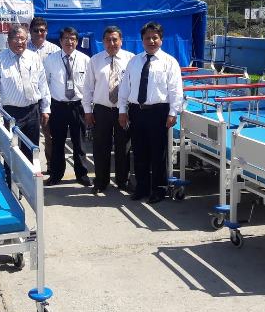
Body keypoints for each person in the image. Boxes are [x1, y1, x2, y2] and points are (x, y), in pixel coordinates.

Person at [118, 21, 183, 204]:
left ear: (161, 39)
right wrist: (122, 110)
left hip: (158, 112)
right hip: (136, 111)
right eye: (147, 38)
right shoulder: (134, 61)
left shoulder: (170, 62)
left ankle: (159, 189)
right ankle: (142, 187)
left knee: (158, 153)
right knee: (139, 152)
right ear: (142, 40)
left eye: (155, 37)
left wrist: (173, 112)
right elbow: (125, 88)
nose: (151, 41)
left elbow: (176, 90)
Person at [0, 24, 50, 165]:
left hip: (32, 112)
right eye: (16, 38)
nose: (20, 42)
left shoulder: (34, 57)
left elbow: (43, 84)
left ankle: (29, 179)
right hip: (11, 113)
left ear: (27, 40)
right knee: (11, 150)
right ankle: (11, 178)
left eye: (23, 39)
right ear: (8, 40)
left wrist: (45, 109)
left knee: (31, 149)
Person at [82, 26, 133, 194]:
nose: (111, 43)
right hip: (101, 110)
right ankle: (101, 181)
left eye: (115, 40)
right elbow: (88, 88)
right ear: (103, 42)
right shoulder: (95, 61)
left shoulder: (131, 59)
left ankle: (123, 180)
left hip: (123, 110)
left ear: (121, 41)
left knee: (123, 147)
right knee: (100, 147)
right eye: (108, 40)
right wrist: (87, 111)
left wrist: (126, 110)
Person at [43, 27, 92, 187]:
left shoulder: (86, 60)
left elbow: (89, 87)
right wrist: (46, 108)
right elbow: (45, 84)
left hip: (78, 106)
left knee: (79, 143)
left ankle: (82, 174)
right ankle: (56, 174)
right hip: (58, 106)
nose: (69, 42)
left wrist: (89, 109)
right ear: (60, 41)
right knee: (57, 142)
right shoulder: (50, 60)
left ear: (77, 42)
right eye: (66, 38)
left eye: (72, 39)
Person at [27, 17, 61, 171]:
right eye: (36, 30)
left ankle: (51, 167)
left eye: (42, 30)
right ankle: (30, 167)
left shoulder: (55, 50)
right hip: (30, 98)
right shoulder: (23, 47)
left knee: (50, 135)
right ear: (30, 31)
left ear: (47, 32)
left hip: (49, 98)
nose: (39, 33)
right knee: (29, 135)